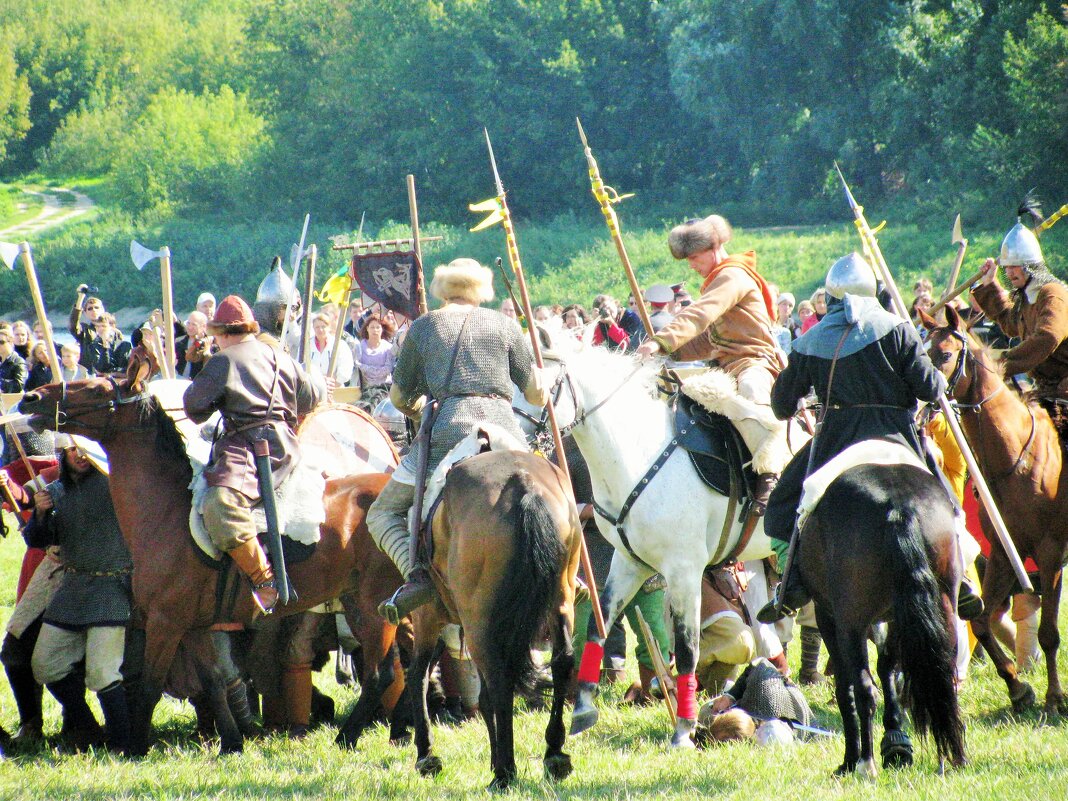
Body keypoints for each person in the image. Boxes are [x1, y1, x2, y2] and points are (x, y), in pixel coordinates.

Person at [757, 252, 981, 622]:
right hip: (898, 436)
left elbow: (781, 405)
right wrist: (940, 377)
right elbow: (929, 387)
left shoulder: (809, 340)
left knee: (782, 505)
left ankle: (792, 583)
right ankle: (962, 578)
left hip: (835, 441)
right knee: (943, 501)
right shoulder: (899, 329)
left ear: (829, 296)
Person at [371, 258, 548, 625]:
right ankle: (565, 570)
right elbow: (536, 395)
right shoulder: (505, 325)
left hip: (447, 432)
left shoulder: (424, 327)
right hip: (504, 432)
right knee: (547, 494)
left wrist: (424, 410)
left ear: (442, 289)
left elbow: (401, 398)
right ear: (480, 290)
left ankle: (417, 577)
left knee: (382, 512)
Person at [636, 214, 786, 516]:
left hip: (755, 362)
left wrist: (660, 341)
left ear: (714, 247)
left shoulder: (732, 276)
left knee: (750, 388)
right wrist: (668, 354)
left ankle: (771, 474)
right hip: (723, 367)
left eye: (694, 256)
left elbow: (700, 315)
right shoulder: (718, 281)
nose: (691, 264)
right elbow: (708, 341)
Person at [183, 295, 321, 614]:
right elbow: (312, 397)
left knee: (220, 504)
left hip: (248, 448)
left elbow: (194, 407)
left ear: (224, 332)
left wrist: (213, 375)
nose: (215, 340)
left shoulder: (224, 360)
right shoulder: (281, 356)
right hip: (287, 447)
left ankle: (264, 580)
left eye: (217, 334)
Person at [27, 435, 133, 753]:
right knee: (45, 665)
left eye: (86, 450)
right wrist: (41, 514)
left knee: (102, 673)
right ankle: (86, 727)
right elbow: (38, 540)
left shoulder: (116, 486)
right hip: (72, 589)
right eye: (74, 449)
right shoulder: (55, 492)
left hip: (111, 589)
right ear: (63, 453)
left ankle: (123, 744)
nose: (80, 456)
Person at [972, 219, 1068, 406]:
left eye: (1014, 266)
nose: (1009, 272)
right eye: (1006, 267)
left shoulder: (1052, 293)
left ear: (1030, 265)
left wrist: (1001, 363)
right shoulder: (1026, 297)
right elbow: (1010, 322)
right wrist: (990, 284)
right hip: (1046, 387)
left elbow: (1047, 337)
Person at [308, 312, 354, 387]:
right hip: (313, 388)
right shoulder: (306, 345)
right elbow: (301, 366)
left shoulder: (339, 344)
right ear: (313, 328)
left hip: (335, 388)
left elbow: (346, 367)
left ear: (329, 327)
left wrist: (336, 382)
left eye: (323, 326)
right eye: (317, 327)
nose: (320, 329)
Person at [353, 312, 396, 392]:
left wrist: (364, 367)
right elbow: (357, 366)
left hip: (385, 388)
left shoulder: (389, 348)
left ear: (382, 329)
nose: (375, 330)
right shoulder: (359, 347)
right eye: (372, 327)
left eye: (378, 327)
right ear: (367, 328)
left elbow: (388, 369)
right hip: (363, 389)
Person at [68, 287, 106, 372]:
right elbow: (73, 325)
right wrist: (81, 296)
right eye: (90, 308)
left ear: (102, 310)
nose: (94, 310)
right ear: (85, 313)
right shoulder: (84, 330)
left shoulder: (114, 332)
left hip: (108, 373)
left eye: (97, 307)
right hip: (89, 373)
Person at [176, 311, 214, 380]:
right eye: (188, 323)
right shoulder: (178, 343)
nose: (190, 327)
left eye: (194, 325)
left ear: (203, 327)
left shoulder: (211, 345)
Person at [0, 328, 28, 393]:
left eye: (1, 342)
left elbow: (19, 385)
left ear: (11, 342)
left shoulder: (19, 362)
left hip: (12, 401)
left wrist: (1, 383)